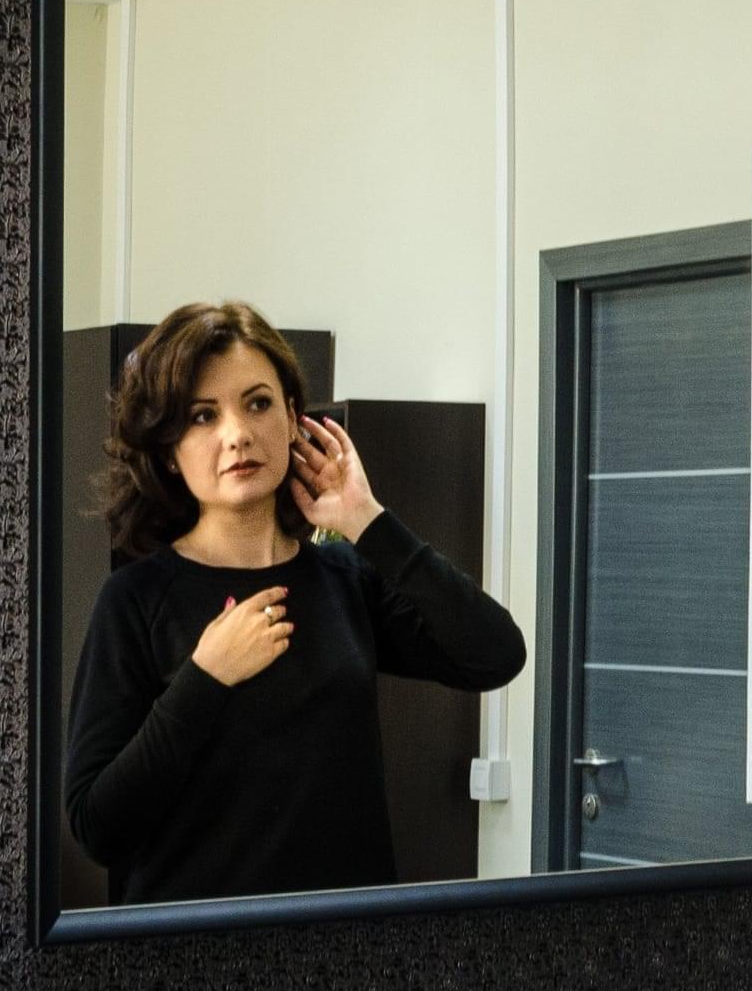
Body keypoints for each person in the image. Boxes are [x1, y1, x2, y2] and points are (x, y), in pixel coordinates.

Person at [65, 299, 526, 906]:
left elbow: (496, 654)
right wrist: (205, 679)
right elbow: (97, 826)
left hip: (343, 940)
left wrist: (367, 522)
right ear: (170, 450)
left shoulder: (344, 579)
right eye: (203, 416)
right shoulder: (135, 600)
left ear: (292, 418)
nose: (237, 434)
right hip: (194, 948)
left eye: (258, 404)